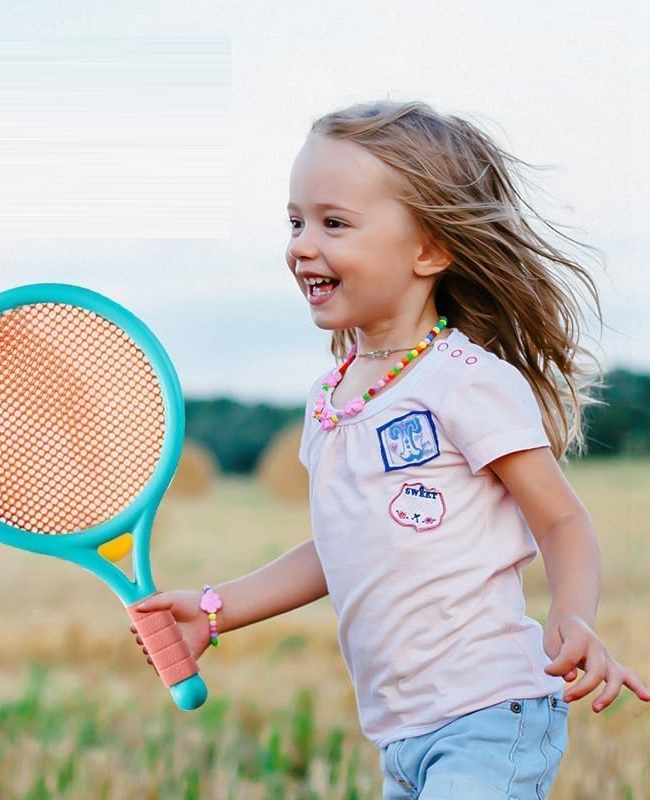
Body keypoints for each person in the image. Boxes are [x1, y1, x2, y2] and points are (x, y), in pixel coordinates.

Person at [130, 100, 650, 799]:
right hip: (400, 735)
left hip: (491, 715)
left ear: (429, 250)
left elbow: (561, 520)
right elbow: (340, 544)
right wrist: (218, 608)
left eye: (334, 223)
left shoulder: (467, 383)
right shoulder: (331, 399)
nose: (302, 245)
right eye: (296, 221)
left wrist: (573, 613)